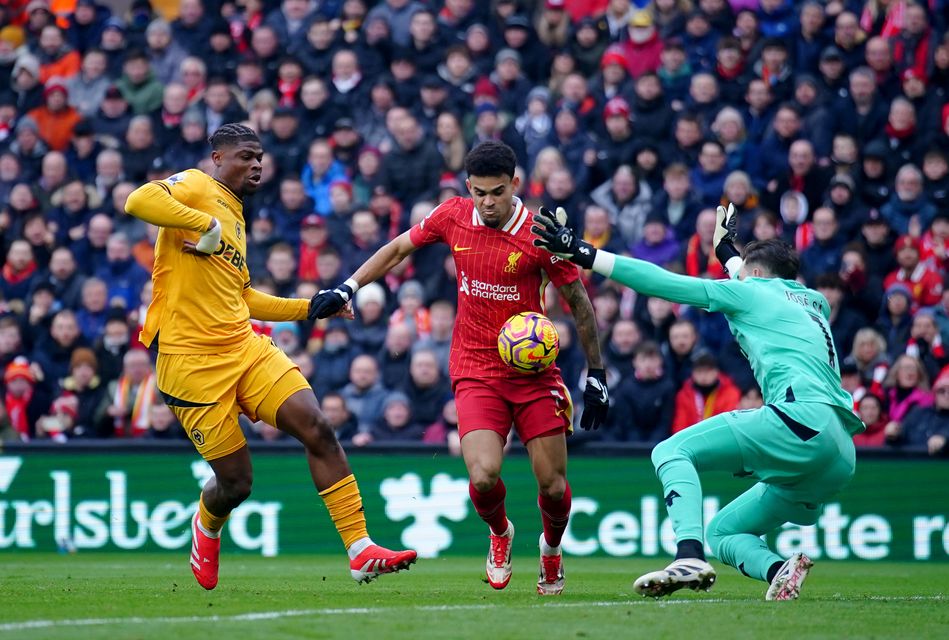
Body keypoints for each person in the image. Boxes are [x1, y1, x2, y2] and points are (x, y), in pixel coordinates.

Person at [123, 123, 415, 591]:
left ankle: (360, 551)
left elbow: (241, 297)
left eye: (260, 157)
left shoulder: (236, 216)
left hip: (244, 347)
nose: (256, 164)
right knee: (237, 483)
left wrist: (311, 308)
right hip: (190, 364)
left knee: (317, 425)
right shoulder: (197, 187)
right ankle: (207, 524)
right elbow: (136, 202)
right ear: (218, 158)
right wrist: (204, 224)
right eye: (245, 156)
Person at [309, 140, 608, 596]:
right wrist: (348, 288)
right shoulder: (452, 214)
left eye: (497, 192)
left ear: (516, 185)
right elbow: (395, 250)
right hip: (475, 368)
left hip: (533, 376)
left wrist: (597, 374)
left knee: (551, 486)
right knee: (483, 476)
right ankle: (501, 533)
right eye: (479, 192)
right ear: (468, 187)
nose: (487, 202)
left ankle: (550, 549)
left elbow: (580, 303)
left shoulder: (541, 235)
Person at [532, 202, 863, 601]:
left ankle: (688, 555)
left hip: (799, 420)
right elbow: (750, 274)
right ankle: (780, 571)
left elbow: (665, 283)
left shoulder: (752, 293)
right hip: (840, 452)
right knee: (724, 532)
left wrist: (586, 253)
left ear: (756, 276)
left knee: (672, 451)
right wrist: (727, 255)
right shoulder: (813, 302)